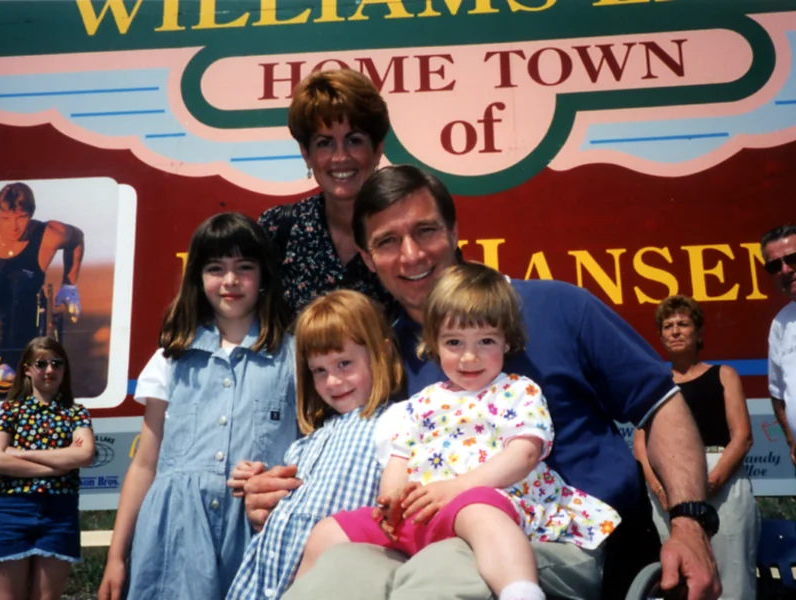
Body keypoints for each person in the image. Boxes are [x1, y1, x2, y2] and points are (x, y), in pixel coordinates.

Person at [245, 165, 722, 600]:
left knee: (444, 573)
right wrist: (278, 490)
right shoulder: (380, 360)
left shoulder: (559, 307)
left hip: (561, 541)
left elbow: (660, 405)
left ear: (454, 232)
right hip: (418, 538)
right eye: (388, 242)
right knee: (334, 573)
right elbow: (348, 457)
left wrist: (689, 524)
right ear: (368, 259)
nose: (410, 255)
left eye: (425, 230)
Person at [298, 264, 621, 600]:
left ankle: (520, 591)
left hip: (492, 501)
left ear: (507, 341)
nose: (469, 356)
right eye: (454, 342)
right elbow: (399, 457)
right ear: (434, 343)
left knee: (479, 511)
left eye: (485, 341)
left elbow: (523, 453)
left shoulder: (515, 391)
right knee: (328, 530)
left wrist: (458, 488)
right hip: (424, 515)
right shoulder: (420, 403)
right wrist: (391, 499)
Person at [97, 213, 297, 600]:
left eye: (244, 268)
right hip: (175, 536)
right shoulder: (170, 358)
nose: (231, 281)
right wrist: (116, 557)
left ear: (265, 276)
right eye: (216, 268)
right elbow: (144, 463)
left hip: (260, 532)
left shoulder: (296, 356)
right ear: (197, 277)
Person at [226, 289, 404, 600]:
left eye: (344, 363)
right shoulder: (307, 443)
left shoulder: (397, 424)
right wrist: (260, 479)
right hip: (266, 585)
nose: (332, 382)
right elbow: (284, 514)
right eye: (319, 370)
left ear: (382, 353)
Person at [634, 295, 759, 599]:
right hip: (667, 492)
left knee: (733, 578)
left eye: (683, 324)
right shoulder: (653, 383)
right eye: (668, 326)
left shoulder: (723, 375)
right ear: (661, 336)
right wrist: (659, 489)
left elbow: (742, 436)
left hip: (722, 482)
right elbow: (640, 443)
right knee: (679, 581)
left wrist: (710, 483)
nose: (675, 331)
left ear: (699, 333)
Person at [258, 68, 394, 316]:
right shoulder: (278, 230)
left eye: (354, 140)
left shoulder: (407, 229)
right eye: (325, 143)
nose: (340, 157)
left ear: (377, 149)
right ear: (306, 154)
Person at [0, 336, 95, 600]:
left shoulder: (76, 413)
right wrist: (57, 467)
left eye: (56, 363)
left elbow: (84, 454)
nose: (50, 370)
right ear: (27, 369)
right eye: (41, 364)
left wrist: (22, 453)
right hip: (11, 510)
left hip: (59, 513)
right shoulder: (9, 411)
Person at [0, 183, 85, 397]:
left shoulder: (51, 233)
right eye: (6, 219)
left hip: (23, 301)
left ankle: (10, 361)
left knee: (20, 282)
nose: (15, 226)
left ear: (31, 214)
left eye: (22, 217)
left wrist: (69, 283)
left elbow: (77, 237)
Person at [761, 224, 796, 467]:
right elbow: (778, 394)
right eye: (775, 265)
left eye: (793, 258)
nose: (785, 269)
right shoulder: (780, 323)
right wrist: (790, 440)